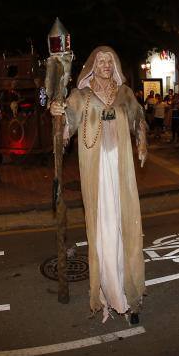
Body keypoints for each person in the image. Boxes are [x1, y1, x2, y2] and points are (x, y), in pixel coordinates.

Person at [50, 45, 147, 324]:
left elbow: (138, 118)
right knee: (103, 231)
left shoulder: (124, 93)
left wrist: (142, 144)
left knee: (125, 227)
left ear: (115, 65)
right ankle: (111, 294)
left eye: (110, 60)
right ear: (93, 64)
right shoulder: (80, 96)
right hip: (95, 173)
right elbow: (65, 130)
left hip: (122, 171)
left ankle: (131, 295)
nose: (106, 64)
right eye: (101, 60)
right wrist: (57, 113)